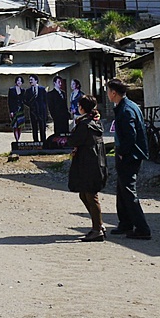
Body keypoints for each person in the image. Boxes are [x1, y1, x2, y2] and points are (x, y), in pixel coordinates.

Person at [107, 78, 152, 239]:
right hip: (129, 154)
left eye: (108, 91)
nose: (107, 94)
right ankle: (125, 223)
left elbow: (130, 135)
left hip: (130, 155)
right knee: (122, 189)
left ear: (114, 93)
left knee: (128, 190)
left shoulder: (126, 110)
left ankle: (142, 228)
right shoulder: (128, 106)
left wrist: (122, 152)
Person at [67, 94, 108, 241]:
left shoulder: (85, 124)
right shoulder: (96, 121)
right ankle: (98, 224)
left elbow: (73, 140)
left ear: (82, 108)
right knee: (84, 194)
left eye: (79, 105)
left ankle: (97, 230)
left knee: (91, 195)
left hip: (88, 164)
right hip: (95, 162)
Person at [25, 75, 49, 143]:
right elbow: (25, 100)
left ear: (36, 80)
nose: (30, 81)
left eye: (31, 80)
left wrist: (46, 112)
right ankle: (35, 141)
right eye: (29, 80)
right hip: (33, 112)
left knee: (42, 127)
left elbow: (45, 101)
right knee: (34, 127)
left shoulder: (42, 89)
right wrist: (30, 105)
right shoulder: (28, 91)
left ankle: (43, 141)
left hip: (41, 111)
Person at [7, 76, 27, 142]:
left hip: (21, 110)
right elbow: (10, 101)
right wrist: (11, 111)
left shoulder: (23, 90)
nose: (19, 82)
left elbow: (24, 100)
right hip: (14, 110)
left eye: (20, 81)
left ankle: (19, 137)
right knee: (15, 126)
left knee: (20, 125)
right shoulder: (11, 89)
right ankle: (17, 139)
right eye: (18, 80)